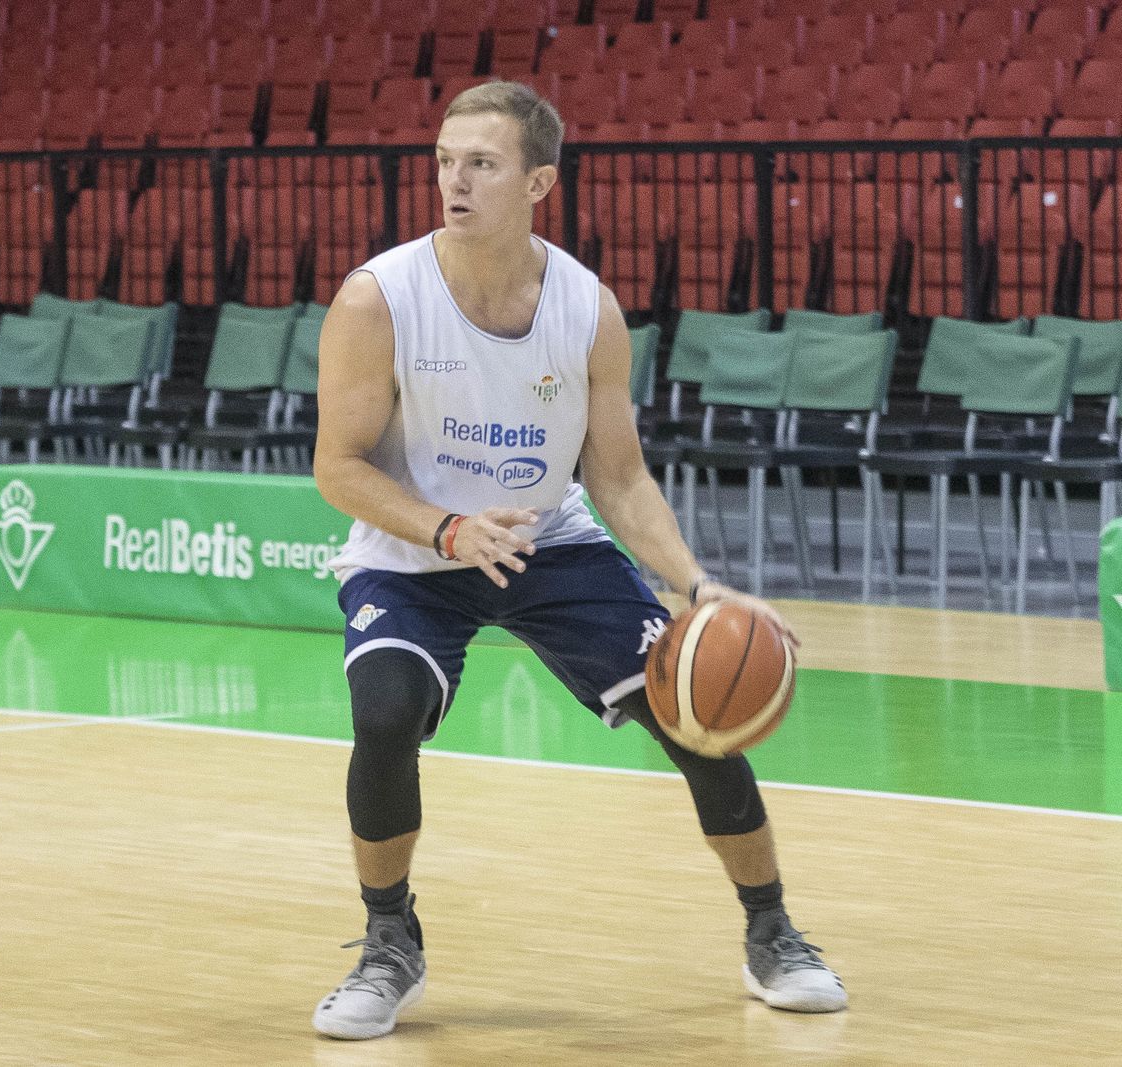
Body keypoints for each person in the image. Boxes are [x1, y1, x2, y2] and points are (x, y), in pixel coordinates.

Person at [308, 81, 846, 1042]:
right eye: (443, 160)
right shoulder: (377, 297)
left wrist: (698, 584)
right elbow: (336, 469)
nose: (453, 180)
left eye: (481, 163)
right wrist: (445, 530)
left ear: (539, 182)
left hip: (550, 541)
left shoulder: (587, 308)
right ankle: (389, 940)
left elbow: (621, 477)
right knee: (384, 714)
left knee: (696, 714)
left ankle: (773, 932)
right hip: (413, 550)